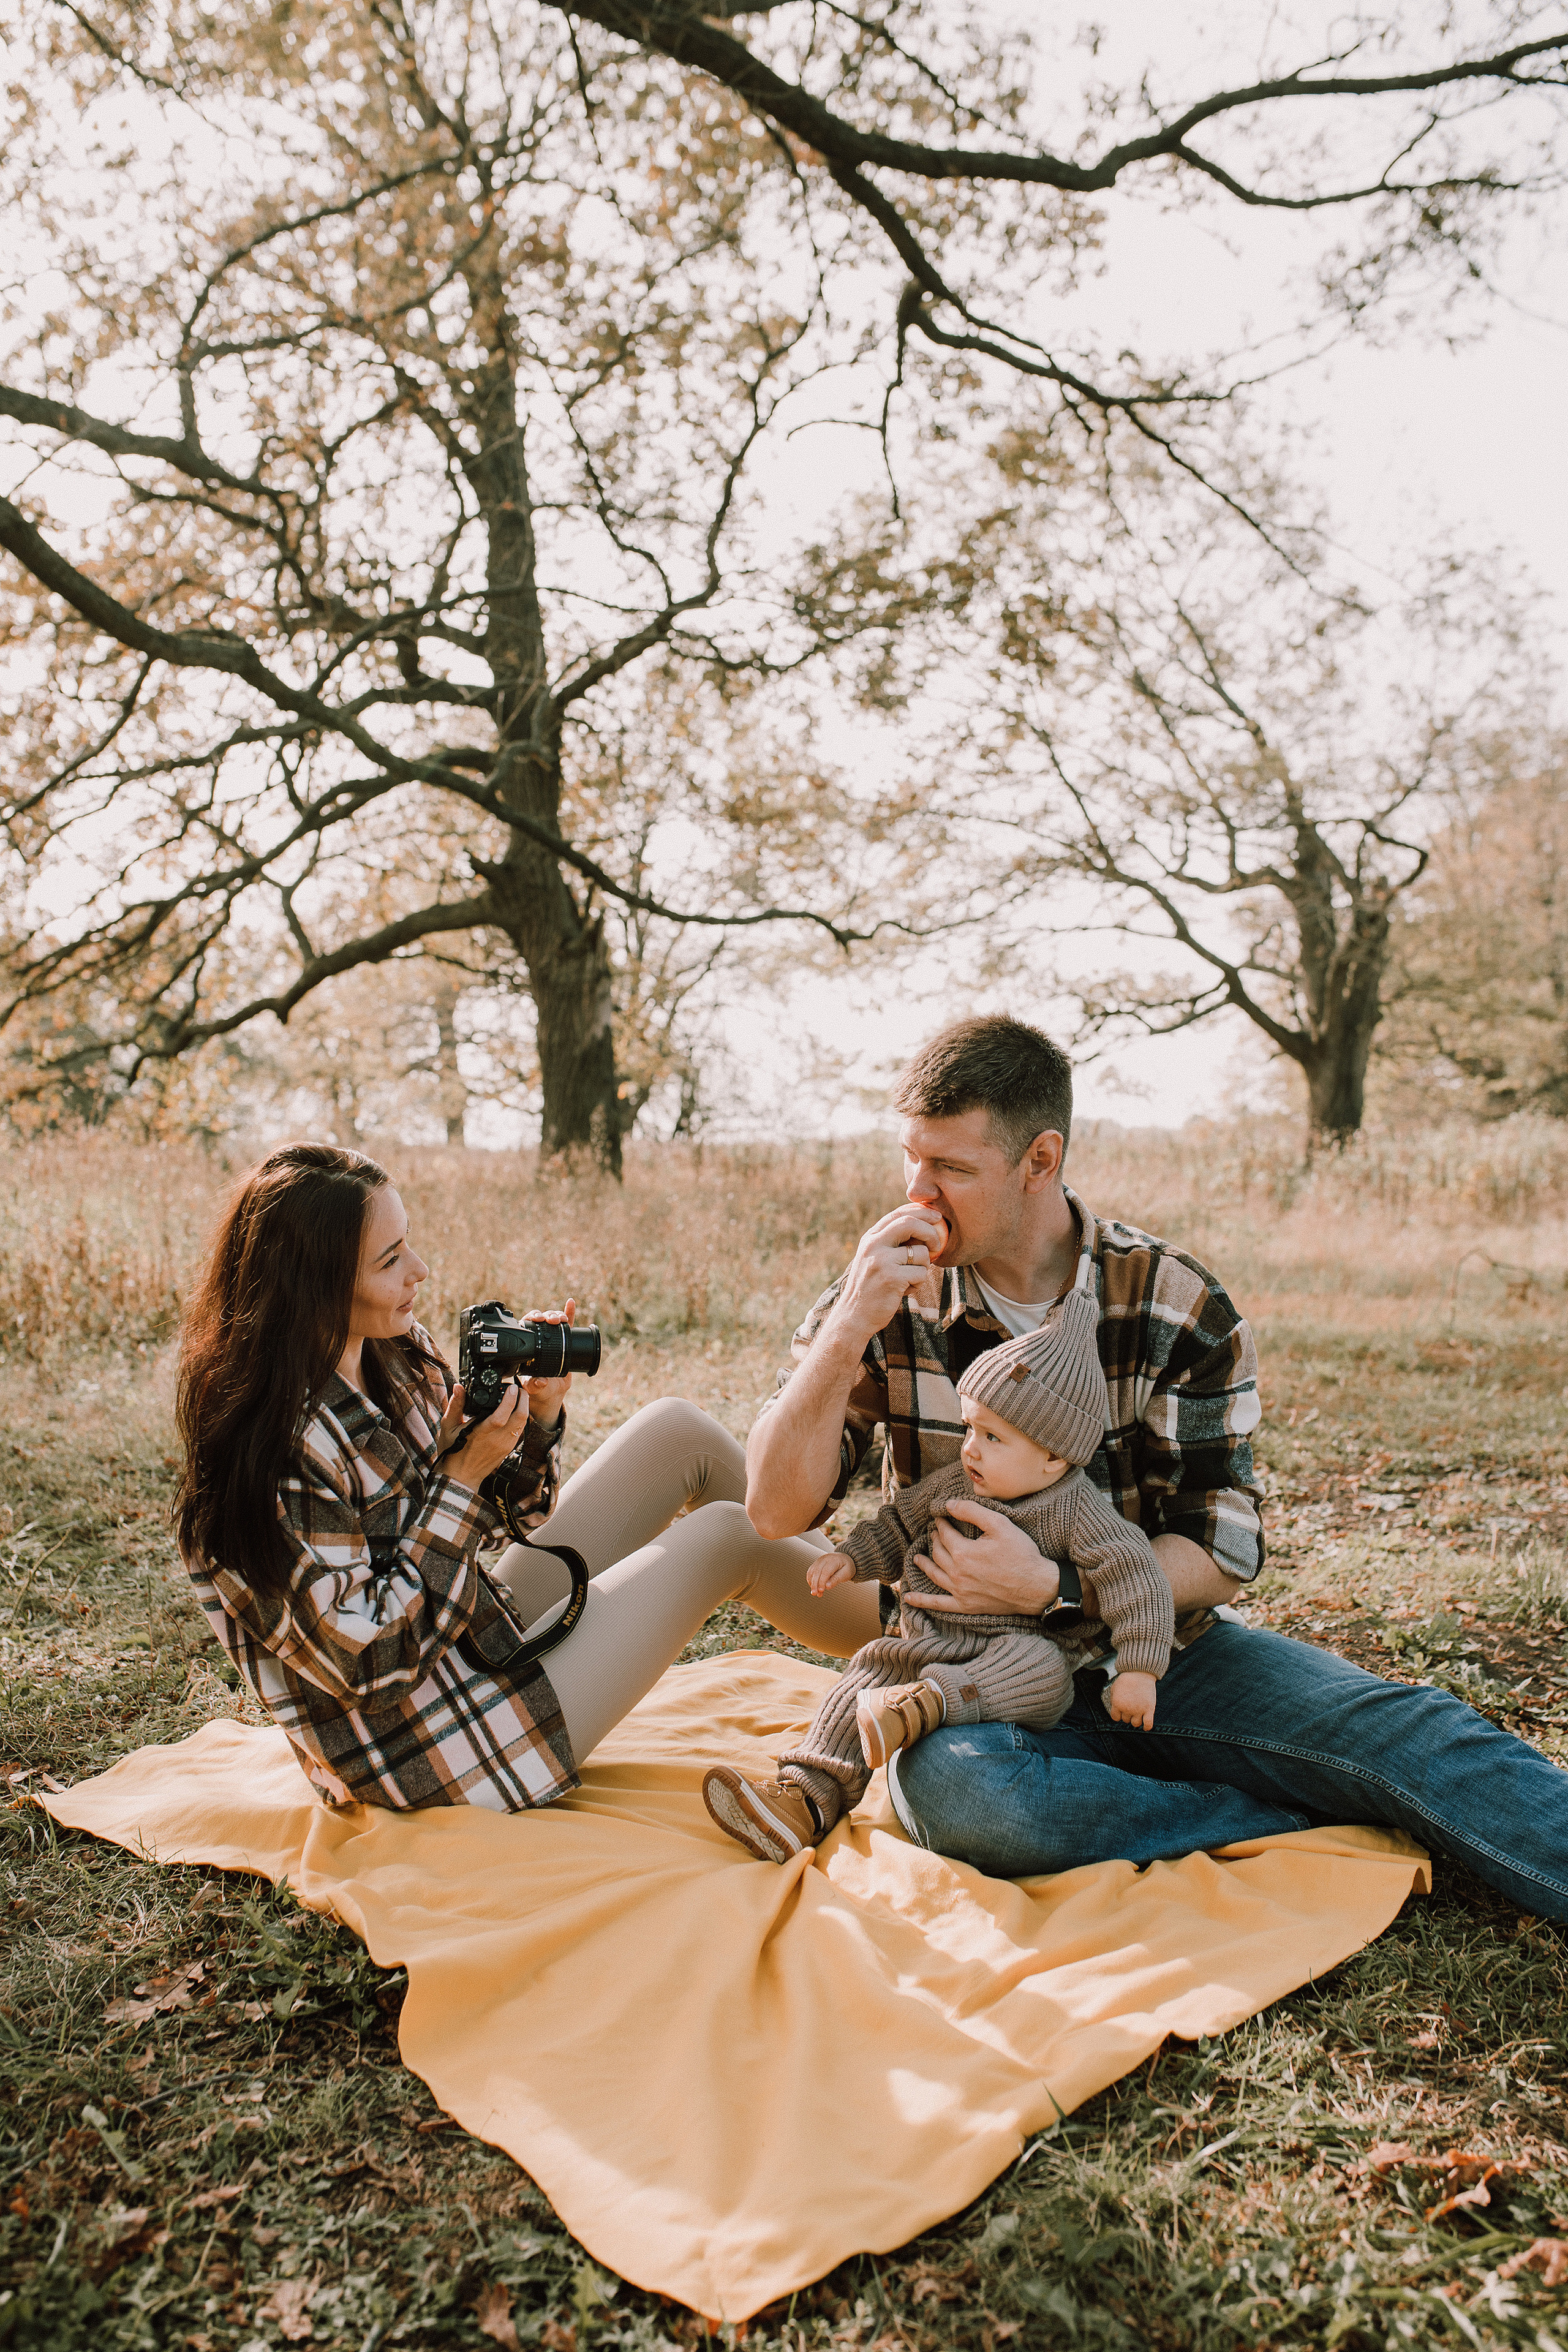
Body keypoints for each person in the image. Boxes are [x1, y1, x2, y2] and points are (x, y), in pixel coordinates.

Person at [744, 1015, 1568, 1921]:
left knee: (1411, 1730)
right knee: (964, 1795)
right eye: (911, 1160)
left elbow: (1221, 1544)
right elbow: (776, 1508)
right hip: (968, 1682)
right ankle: (1260, 1817)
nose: (919, 1194)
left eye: (951, 1169)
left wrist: (1055, 1586)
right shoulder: (881, 1294)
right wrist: (846, 1331)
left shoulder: (1175, 1300)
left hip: (1163, 1655)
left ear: (1040, 1160)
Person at [175, 1143, 879, 1813]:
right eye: (391, 1260)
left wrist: (534, 1424)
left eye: (408, 1242)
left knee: (677, 1432)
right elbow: (373, 1669)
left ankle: (897, 1599)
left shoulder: (393, 1353)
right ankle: (940, 1634)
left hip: (472, 1635)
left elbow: (518, 1519)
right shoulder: (269, 1453)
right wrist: (455, 1481)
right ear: (316, 1286)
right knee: (730, 1537)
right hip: (427, 1749)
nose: (419, 1269)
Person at [702, 1290, 1174, 1862]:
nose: (970, 1448)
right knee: (863, 1677)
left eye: (993, 1438)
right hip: (925, 1645)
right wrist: (851, 1558)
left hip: (1012, 1654)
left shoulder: (1078, 1509)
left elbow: (1138, 1581)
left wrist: (1139, 1671)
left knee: (1044, 1668)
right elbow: (899, 1523)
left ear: (1054, 1457)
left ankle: (930, 1705)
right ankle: (805, 1798)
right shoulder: (956, 1483)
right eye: (971, 1428)